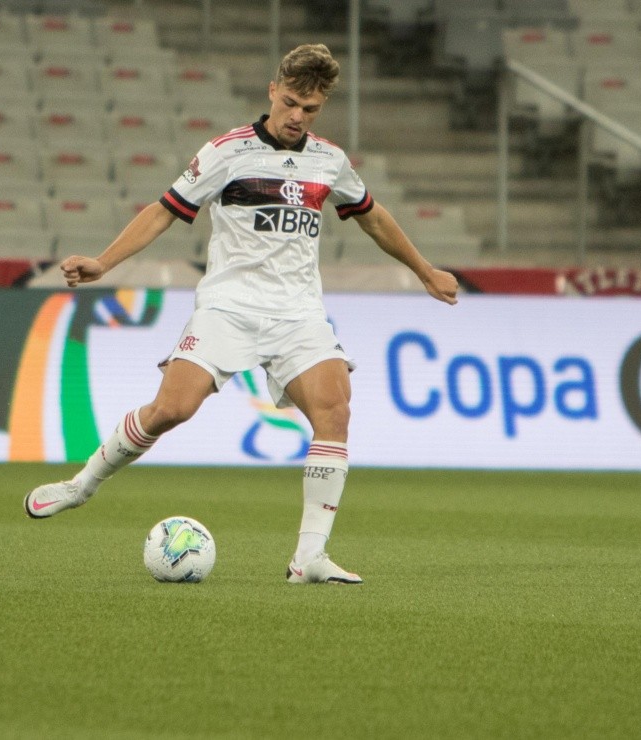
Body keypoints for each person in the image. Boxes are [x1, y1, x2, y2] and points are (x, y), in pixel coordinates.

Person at [24, 44, 459, 585]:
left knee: (335, 411)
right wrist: (103, 263)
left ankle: (308, 557)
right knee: (171, 410)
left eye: (311, 109)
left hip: (298, 313)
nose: (298, 116)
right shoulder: (226, 152)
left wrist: (424, 270)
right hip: (228, 307)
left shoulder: (329, 160)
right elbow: (163, 211)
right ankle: (82, 485)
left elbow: (372, 217)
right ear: (273, 91)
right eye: (291, 103)